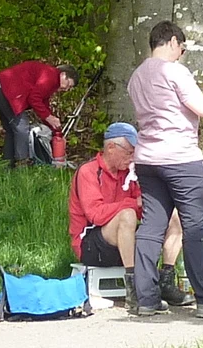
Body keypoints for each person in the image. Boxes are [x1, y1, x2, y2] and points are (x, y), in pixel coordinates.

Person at [127, 20, 203, 318]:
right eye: (182, 48)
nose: (182, 54)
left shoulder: (136, 76)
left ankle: (145, 298)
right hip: (181, 158)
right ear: (173, 41)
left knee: (151, 226)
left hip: (147, 158)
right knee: (195, 226)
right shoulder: (175, 71)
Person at [68, 122, 192, 309]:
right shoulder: (88, 172)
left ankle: (166, 278)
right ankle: (135, 288)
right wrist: (134, 204)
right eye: (129, 152)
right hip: (91, 243)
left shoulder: (131, 173)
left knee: (174, 214)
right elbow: (96, 215)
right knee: (127, 214)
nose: (133, 157)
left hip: (125, 237)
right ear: (111, 148)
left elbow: (145, 208)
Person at [0, 60, 78, 167]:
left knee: (12, 129)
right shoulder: (51, 76)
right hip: (1, 89)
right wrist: (48, 117)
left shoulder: (49, 77)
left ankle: (6, 166)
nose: (66, 89)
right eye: (68, 84)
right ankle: (22, 165)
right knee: (22, 126)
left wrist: (54, 128)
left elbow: (43, 104)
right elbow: (33, 98)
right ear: (63, 75)